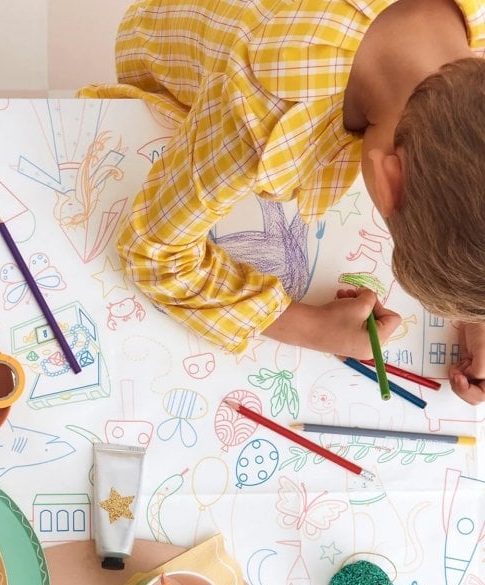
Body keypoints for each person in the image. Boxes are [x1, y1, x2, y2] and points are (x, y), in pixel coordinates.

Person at [83, 0, 485, 404]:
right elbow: (152, 251)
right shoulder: (259, 113)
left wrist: (476, 308)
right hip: (170, 51)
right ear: (385, 180)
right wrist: (307, 325)